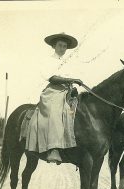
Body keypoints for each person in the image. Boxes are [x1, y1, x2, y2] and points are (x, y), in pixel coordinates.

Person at [25, 33, 83, 164]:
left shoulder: (67, 63)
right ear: (54, 46)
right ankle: (53, 148)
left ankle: (72, 145)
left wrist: (73, 86)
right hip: (54, 91)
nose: (62, 48)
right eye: (60, 45)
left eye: (65, 46)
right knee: (55, 111)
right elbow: (52, 78)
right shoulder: (48, 61)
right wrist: (72, 79)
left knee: (77, 111)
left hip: (67, 91)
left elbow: (69, 79)